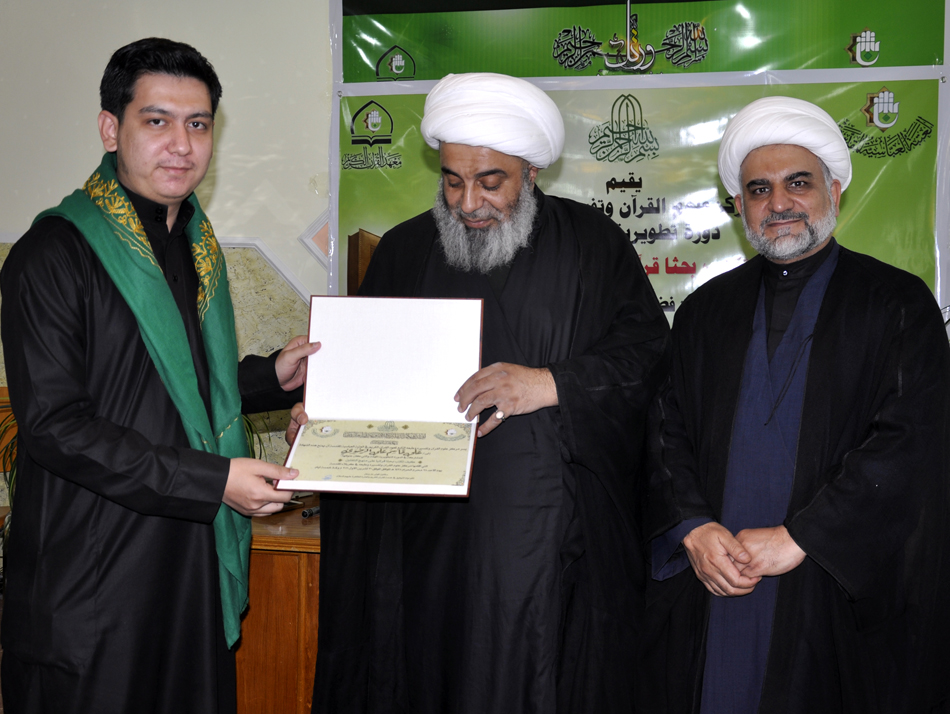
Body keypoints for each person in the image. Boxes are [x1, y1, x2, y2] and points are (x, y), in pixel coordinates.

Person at [286, 72, 670, 713]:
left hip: (547, 533)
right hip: (425, 536)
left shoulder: (593, 246)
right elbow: (367, 378)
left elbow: (649, 360)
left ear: (532, 172)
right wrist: (324, 426)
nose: (468, 203)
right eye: (452, 181)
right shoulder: (405, 250)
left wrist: (548, 383)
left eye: (491, 183)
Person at [0, 38, 318, 714]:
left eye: (198, 124)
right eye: (157, 120)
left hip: (188, 568)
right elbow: (57, 427)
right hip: (94, 577)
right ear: (110, 129)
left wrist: (272, 377)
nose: (181, 144)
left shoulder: (196, 245)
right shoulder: (53, 254)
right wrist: (214, 481)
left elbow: (172, 388)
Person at [641, 96, 950, 714]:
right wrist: (693, 529)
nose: (778, 203)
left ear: (834, 190)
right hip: (716, 575)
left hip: (832, 584)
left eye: (798, 183)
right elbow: (663, 430)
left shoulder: (896, 302)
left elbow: (912, 439)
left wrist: (804, 537)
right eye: (759, 189)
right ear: (739, 206)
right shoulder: (704, 311)